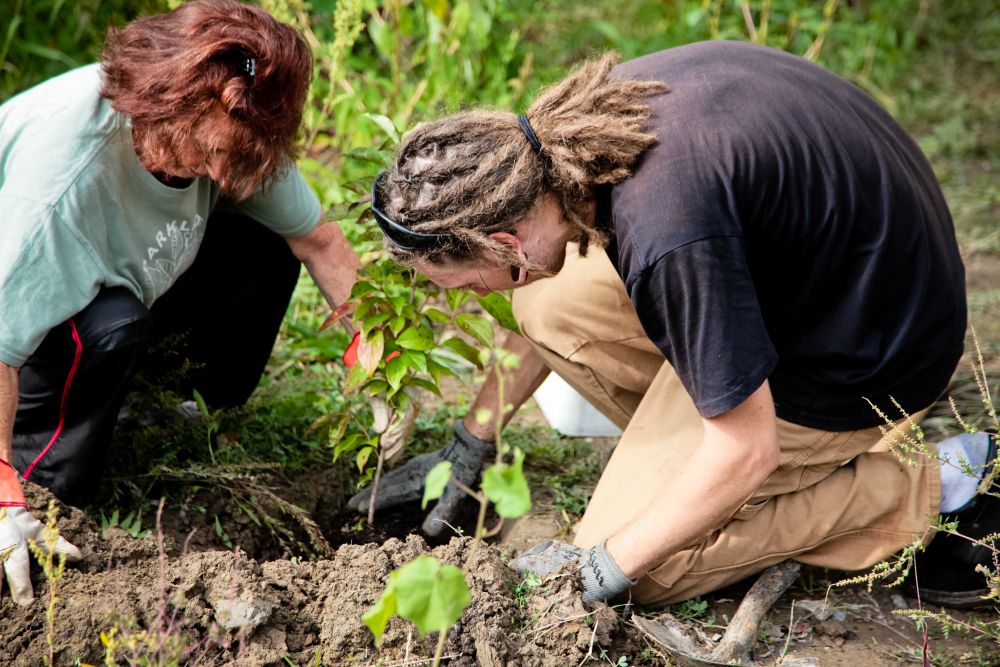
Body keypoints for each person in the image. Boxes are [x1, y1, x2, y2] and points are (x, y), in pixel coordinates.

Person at [353, 41, 998, 609]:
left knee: (647, 565)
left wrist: (601, 565)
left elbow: (749, 447)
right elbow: (558, 297)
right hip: (819, 280)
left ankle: (940, 484)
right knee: (547, 308)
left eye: (465, 282)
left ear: (506, 244)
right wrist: (473, 443)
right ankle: (706, 430)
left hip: (872, 350)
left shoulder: (667, 234)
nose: (469, 296)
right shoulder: (574, 140)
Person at [0, 0, 359, 605]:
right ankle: (47, 483)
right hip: (20, 315)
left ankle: (165, 401)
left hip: (118, 279)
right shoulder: (61, 183)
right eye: (213, 152)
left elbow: (318, 240)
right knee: (111, 324)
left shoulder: (239, 130)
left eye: (237, 157)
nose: (223, 175)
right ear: (172, 104)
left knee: (263, 236)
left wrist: (369, 347)